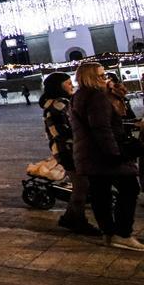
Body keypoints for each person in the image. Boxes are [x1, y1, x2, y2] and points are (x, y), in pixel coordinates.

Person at [70, 62, 144, 250]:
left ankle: (108, 233)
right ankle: (122, 233)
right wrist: (114, 153)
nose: (106, 79)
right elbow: (101, 128)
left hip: (89, 154)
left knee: (100, 193)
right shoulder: (96, 97)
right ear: (90, 77)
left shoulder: (79, 96)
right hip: (103, 154)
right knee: (129, 188)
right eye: (102, 76)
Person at [39, 72, 99, 236]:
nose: (71, 85)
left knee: (82, 186)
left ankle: (71, 217)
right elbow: (62, 131)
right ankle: (76, 220)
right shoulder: (58, 105)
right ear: (58, 86)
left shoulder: (62, 102)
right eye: (67, 83)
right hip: (68, 150)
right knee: (81, 186)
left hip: (69, 148)